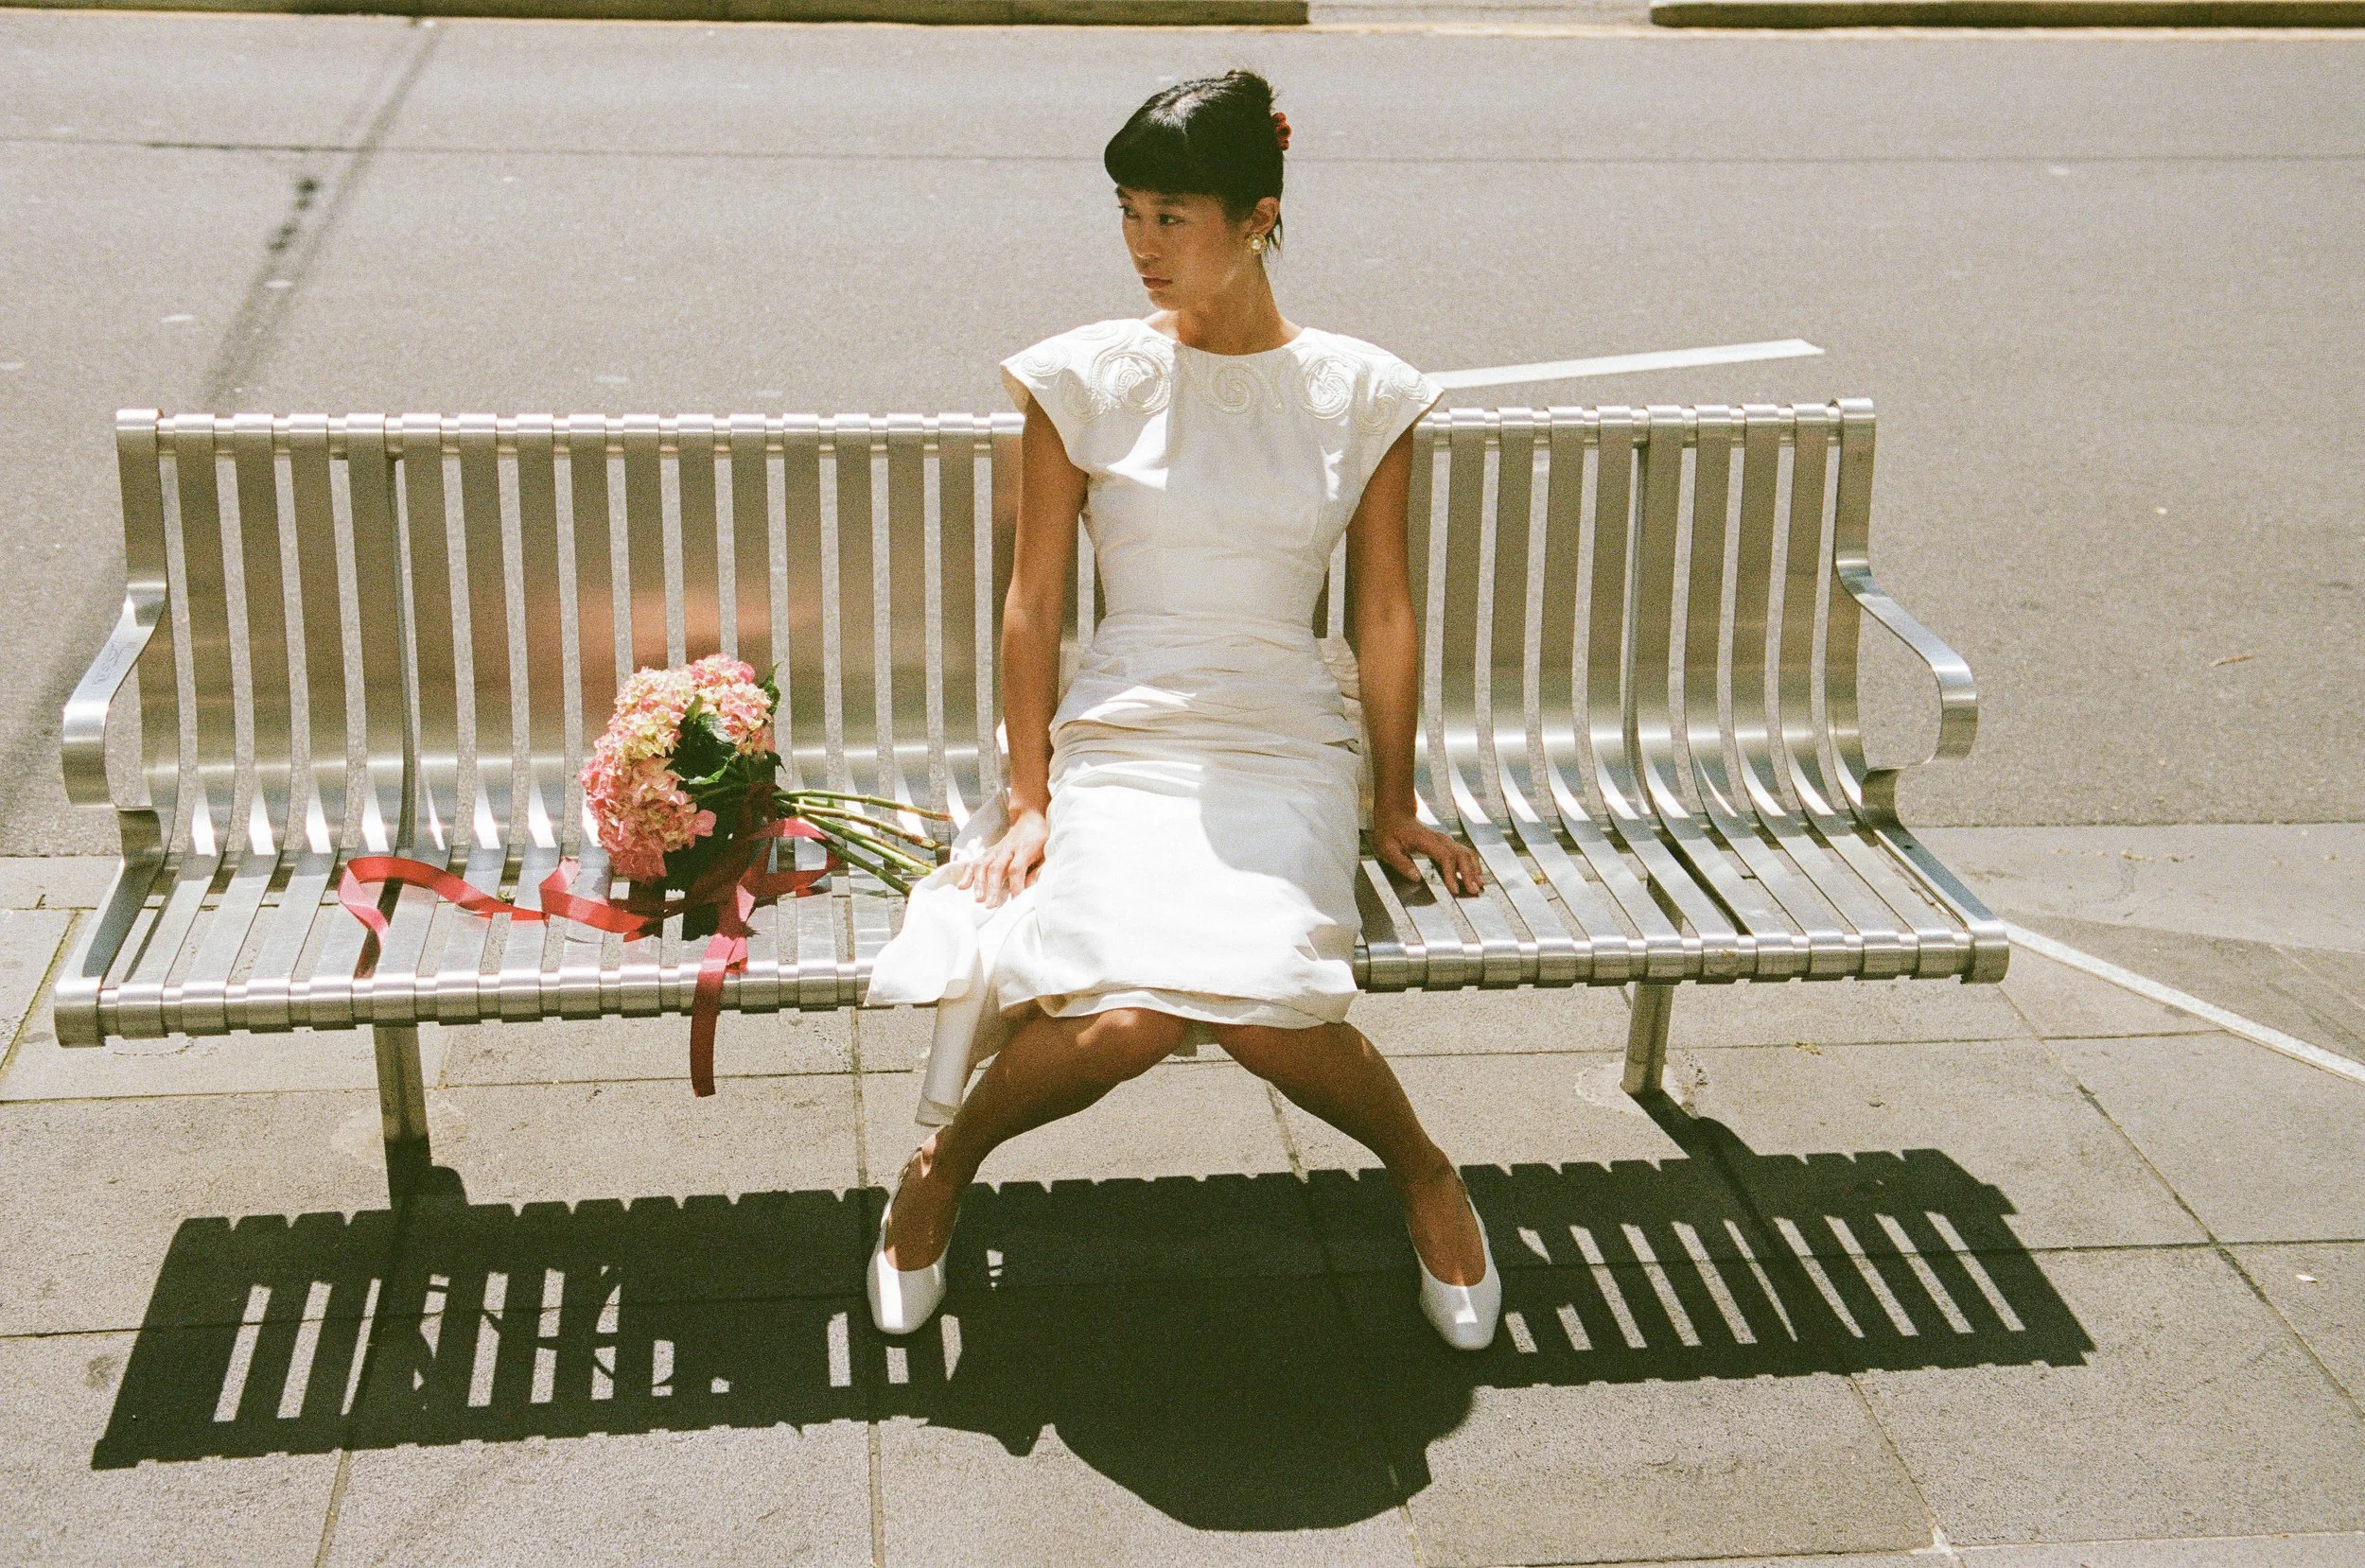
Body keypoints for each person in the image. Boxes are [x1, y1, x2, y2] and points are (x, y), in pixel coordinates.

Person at [862, 68, 1499, 1351]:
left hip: (1279, 736)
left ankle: (1427, 1170)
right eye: (1128, 213)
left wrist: (1393, 801)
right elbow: (1034, 603)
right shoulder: (1079, 376)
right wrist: (1031, 793)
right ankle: (940, 1160)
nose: (1142, 246)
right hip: (1127, 731)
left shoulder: (1364, 391)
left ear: (1257, 217)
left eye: (1173, 217)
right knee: (1124, 1017)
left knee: (1266, 1000)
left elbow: (1381, 612)